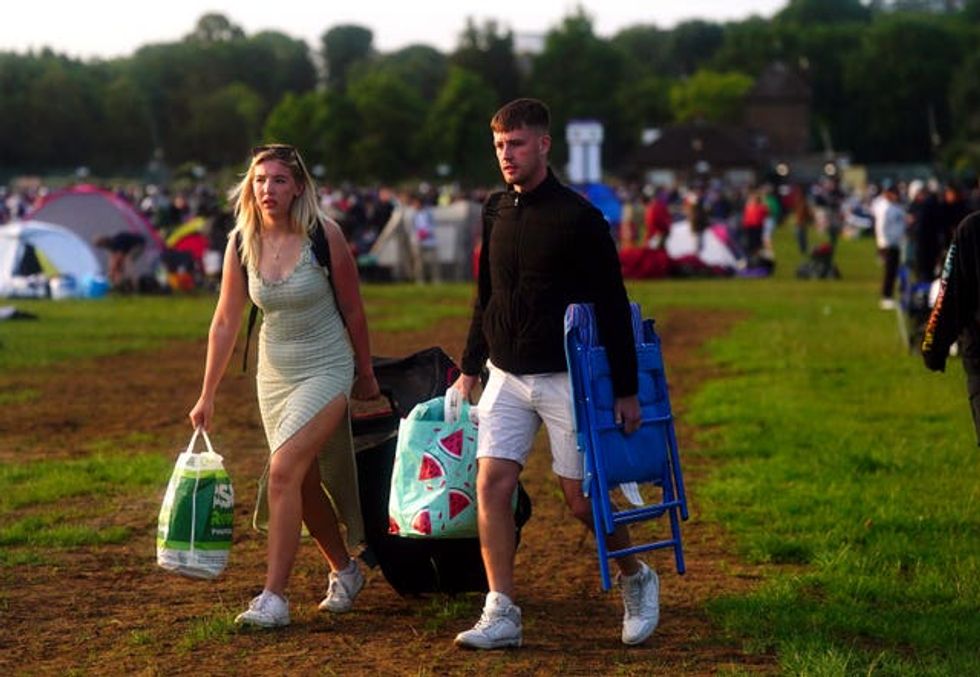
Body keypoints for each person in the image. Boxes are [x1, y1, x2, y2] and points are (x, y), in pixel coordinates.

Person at [451, 98, 660, 650]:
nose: (506, 156)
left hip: (565, 377)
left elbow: (612, 304)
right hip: (506, 374)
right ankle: (502, 611)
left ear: (544, 144)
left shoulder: (580, 218)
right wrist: (470, 369)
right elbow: (486, 297)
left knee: (578, 499)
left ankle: (637, 577)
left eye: (516, 144)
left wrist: (626, 390)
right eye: (498, 146)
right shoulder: (494, 210)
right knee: (492, 484)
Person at [188, 143, 380, 628]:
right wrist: (207, 393)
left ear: (297, 187)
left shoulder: (324, 235)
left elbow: (354, 309)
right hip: (274, 376)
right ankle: (345, 569)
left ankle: (273, 597)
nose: (267, 189)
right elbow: (226, 321)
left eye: (277, 180)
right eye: (259, 180)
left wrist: (365, 372)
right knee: (301, 479)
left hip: (327, 367)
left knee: (281, 471)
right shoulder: (240, 242)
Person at [922, 210, 980, 445]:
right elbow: (950, 295)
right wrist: (934, 345)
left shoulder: (971, 229)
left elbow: (950, 295)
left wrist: (932, 346)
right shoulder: (971, 230)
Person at [872, 184, 906, 310]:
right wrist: (882, 244)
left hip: (896, 243)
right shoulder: (884, 208)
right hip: (888, 244)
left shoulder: (895, 207)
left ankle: (890, 295)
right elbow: (881, 227)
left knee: (894, 271)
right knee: (889, 272)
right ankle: (886, 297)